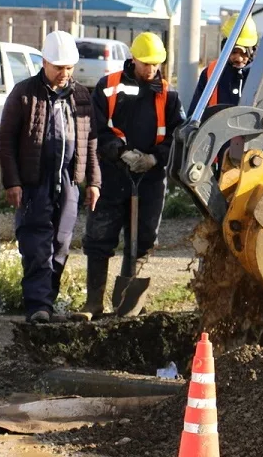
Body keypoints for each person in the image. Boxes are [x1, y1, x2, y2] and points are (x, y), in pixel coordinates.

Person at [0, 30, 102, 324]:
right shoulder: (23, 93)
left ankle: (48, 302)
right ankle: (37, 306)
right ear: (44, 62)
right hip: (33, 183)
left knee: (61, 244)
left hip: (68, 182)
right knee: (35, 244)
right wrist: (13, 182)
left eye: (69, 68)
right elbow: (6, 141)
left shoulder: (81, 95)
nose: (64, 74)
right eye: (59, 68)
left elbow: (91, 141)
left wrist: (93, 181)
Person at [82, 31, 185, 319]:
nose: (150, 70)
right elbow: (97, 128)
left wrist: (154, 158)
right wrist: (120, 152)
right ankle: (93, 303)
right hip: (113, 175)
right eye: (145, 64)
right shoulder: (108, 86)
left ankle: (127, 304)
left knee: (141, 240)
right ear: (133, 59)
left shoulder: (168, 94)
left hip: (149, 180)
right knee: (99, 237)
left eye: (154, 65)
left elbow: (177, 135)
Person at [188, 13, 263, 186]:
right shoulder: (211, 74)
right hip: (224, 161)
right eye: (233, 51)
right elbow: (196, 116)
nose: (238, 58)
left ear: (253, 50)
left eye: (243, 52)